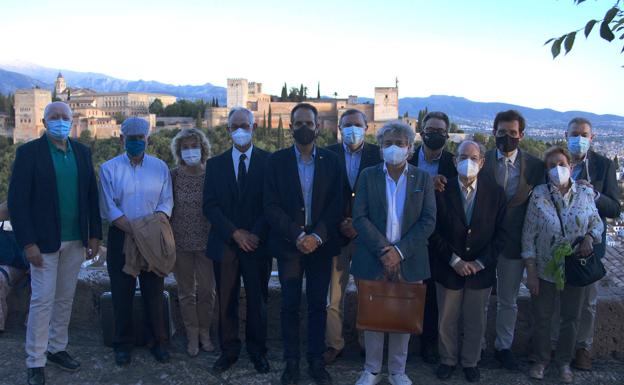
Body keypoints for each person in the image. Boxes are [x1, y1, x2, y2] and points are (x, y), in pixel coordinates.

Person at [8, 102, 102, 385]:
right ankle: (35, 361)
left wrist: (94, 235)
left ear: (72, 121)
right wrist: (27, 243)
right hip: (43, 242)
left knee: (65, 298)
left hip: (76, 239)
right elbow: (17, 202)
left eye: (64, 117)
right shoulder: (29, 153)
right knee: (41, 301)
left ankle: (57, 347)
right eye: (54, 117)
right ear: (45, 121)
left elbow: (91, 196)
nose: (60, 121)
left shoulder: (82, 153)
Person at [351, 121, 436, 385]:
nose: (394, 148)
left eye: (400, 143)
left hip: (410, 258)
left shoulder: (422, 178)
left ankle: (398, 370)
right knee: (373, 316)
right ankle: (372, 369)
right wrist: (384, 250)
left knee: (403, 315)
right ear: (380, 148)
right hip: (373, 256)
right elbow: (360, 217)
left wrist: (399, 251)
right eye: (388, 143)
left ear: (410, 148)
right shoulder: (368, 175)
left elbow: (428, 220)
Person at [264, 103, 343, 385]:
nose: (304, 129)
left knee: (318, 306)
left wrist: (317, 236)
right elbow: (270, 206)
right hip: (289, 246)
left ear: (318, 127)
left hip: (321, 246)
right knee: (289, 305)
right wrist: (298, 236)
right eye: (298, 124)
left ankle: (316, 360)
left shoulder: (332, 161)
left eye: (309, 123)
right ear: (290, 127)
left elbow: (337, 205)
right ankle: (292, 361)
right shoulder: (276, 162)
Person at [522, 146, 603, 383]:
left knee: (571, 318)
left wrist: (589, 238)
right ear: (546, 170)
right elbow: (528, 236)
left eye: (562, 164)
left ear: (571, 167)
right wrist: (531, 272)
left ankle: (564, 362)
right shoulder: (538, 195)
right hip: (546, 267)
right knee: (543, 316)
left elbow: (597, 224)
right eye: (551, 165)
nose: (557, 169)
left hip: (575, 267)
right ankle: (541, 360)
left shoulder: (585, 194)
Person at [99, 117, 174, 366]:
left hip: (152, 236)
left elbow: (166, 202)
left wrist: (151, 227)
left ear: (147, 139)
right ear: (122, 139)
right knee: (122, 293)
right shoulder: (109, 169)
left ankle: (158, 342)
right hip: (122, 236)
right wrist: (135, 229)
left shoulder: (160, 167)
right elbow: (109, 207)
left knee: (154, 291)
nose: (135, 143)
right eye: (130, 139)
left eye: (139, 139)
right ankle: (123, 344)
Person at [430, 141, 506, 383]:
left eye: (474, 158)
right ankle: (448, 360)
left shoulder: (496, 193)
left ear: (482, 163)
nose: (468, 162)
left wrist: (480, 263)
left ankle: (470, 362)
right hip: (448, 267)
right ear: (454, 161)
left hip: (480, 271)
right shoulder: (441, 190)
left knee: (476, 320)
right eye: (463, 157)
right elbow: (433, 231)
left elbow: (501, 234)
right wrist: (454, 260)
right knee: (446, 319)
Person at [203, 107, 272, 374]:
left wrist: (254, 233)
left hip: (258, 244)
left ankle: (258, 350)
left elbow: (272, 203)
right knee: (226, 300)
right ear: (228, 130)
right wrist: (236, 233)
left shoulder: (269, 162)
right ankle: (228, 350)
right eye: (235, 126)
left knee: (258, 300)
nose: (240, 130)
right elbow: (210, 206)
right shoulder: (216, 164)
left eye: (245, 125)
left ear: (254, 127)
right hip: (226, 244)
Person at [549, 117, 621, 370]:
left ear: (592, 138)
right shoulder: (555, 162)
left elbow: (614, 208)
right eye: (574, 133)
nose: (578, 138)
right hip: (556, 246)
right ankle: (555, 346)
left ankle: (583, 348)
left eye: (583, 134)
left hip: (589, 248)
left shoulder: (603, 166)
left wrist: (595, 194)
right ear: (565, 135)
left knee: (588, 303)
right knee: (558, 300)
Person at [482, 110, 545, 370]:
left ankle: (503, 347)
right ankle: (478, 346)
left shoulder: (535, 166)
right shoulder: (481, 160)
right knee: (480, 299)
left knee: (508, 300)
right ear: (493, 132)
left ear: (521, 135)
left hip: (515, 244)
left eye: (512, 133)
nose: (506, 137)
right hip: (483, 244)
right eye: (501, 132)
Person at [324, 109, 381, 364]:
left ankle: (366, 344)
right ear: (339, 128)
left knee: (367, 294)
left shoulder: (378, 155)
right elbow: (321, 196)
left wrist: (359, 224)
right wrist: (339, 223)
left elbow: (382, 199)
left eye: (357, 125)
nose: (352, 129)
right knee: (332, 297)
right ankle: (334, 344)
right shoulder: (327, 155)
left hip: (365, 238)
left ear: (367, 127)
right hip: (335, 237)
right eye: (347, 125)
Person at [408, 111, 458, 363]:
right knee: (408, 290)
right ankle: (404, 342)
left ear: (447, 135)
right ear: (421, 131)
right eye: (430, 130)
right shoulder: (408, 157)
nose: (434, 134)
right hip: (408, 234)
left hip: (440, 236)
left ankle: (428, 343)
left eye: (440, 131)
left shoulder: (453, 162)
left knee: (432, 295)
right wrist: (428, 180)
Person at [169, 128, 216, 357]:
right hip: (181, 243)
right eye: (185, 147)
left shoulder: (212, 174)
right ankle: (192, 335)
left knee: (207, 291)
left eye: (193, 146)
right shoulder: (173, 176)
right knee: (186, 292)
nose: (190, 151)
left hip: (207, 242)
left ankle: (205, 332)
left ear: (202, 148)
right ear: (179, 151)